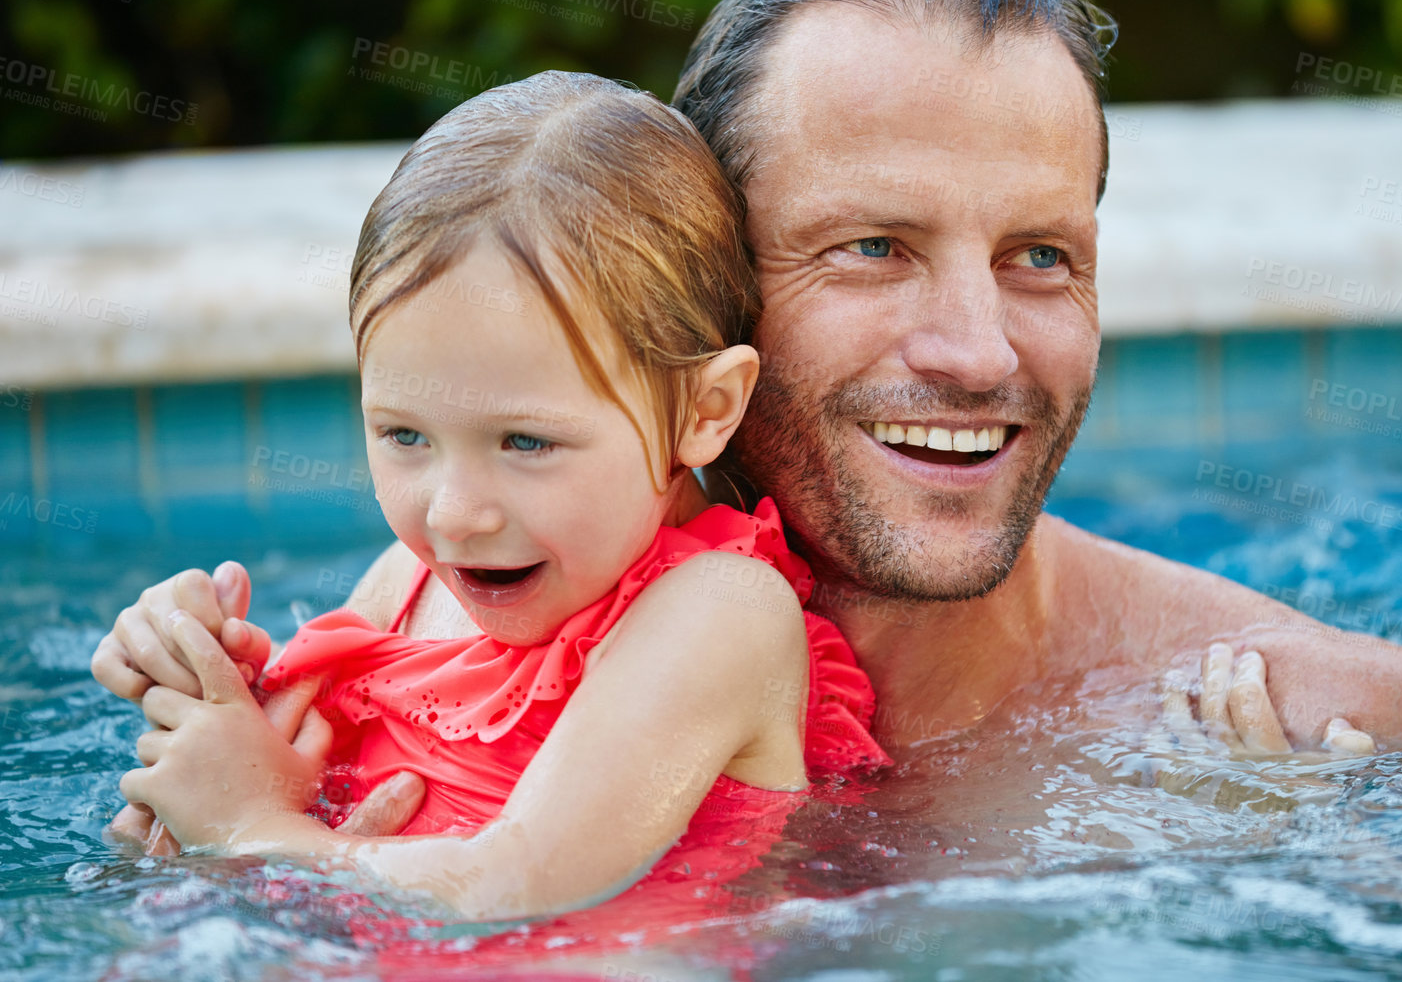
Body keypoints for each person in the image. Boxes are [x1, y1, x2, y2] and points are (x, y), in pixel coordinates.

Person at [95, 0, 1402, 853]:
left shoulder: (1317, 732)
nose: (977, 351)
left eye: (1041, 256)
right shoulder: (471, 598)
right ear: (699, 291)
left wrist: (1306, 880)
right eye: (871, 246)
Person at [108, 71, 888, 921]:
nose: (451, 515)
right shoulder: (404, 584)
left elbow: (518, 883)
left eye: (526, 442)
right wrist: (201, 693)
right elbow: (270, 818)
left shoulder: (720, 613)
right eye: (405, 436)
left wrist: (248, 824)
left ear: (705, 411)